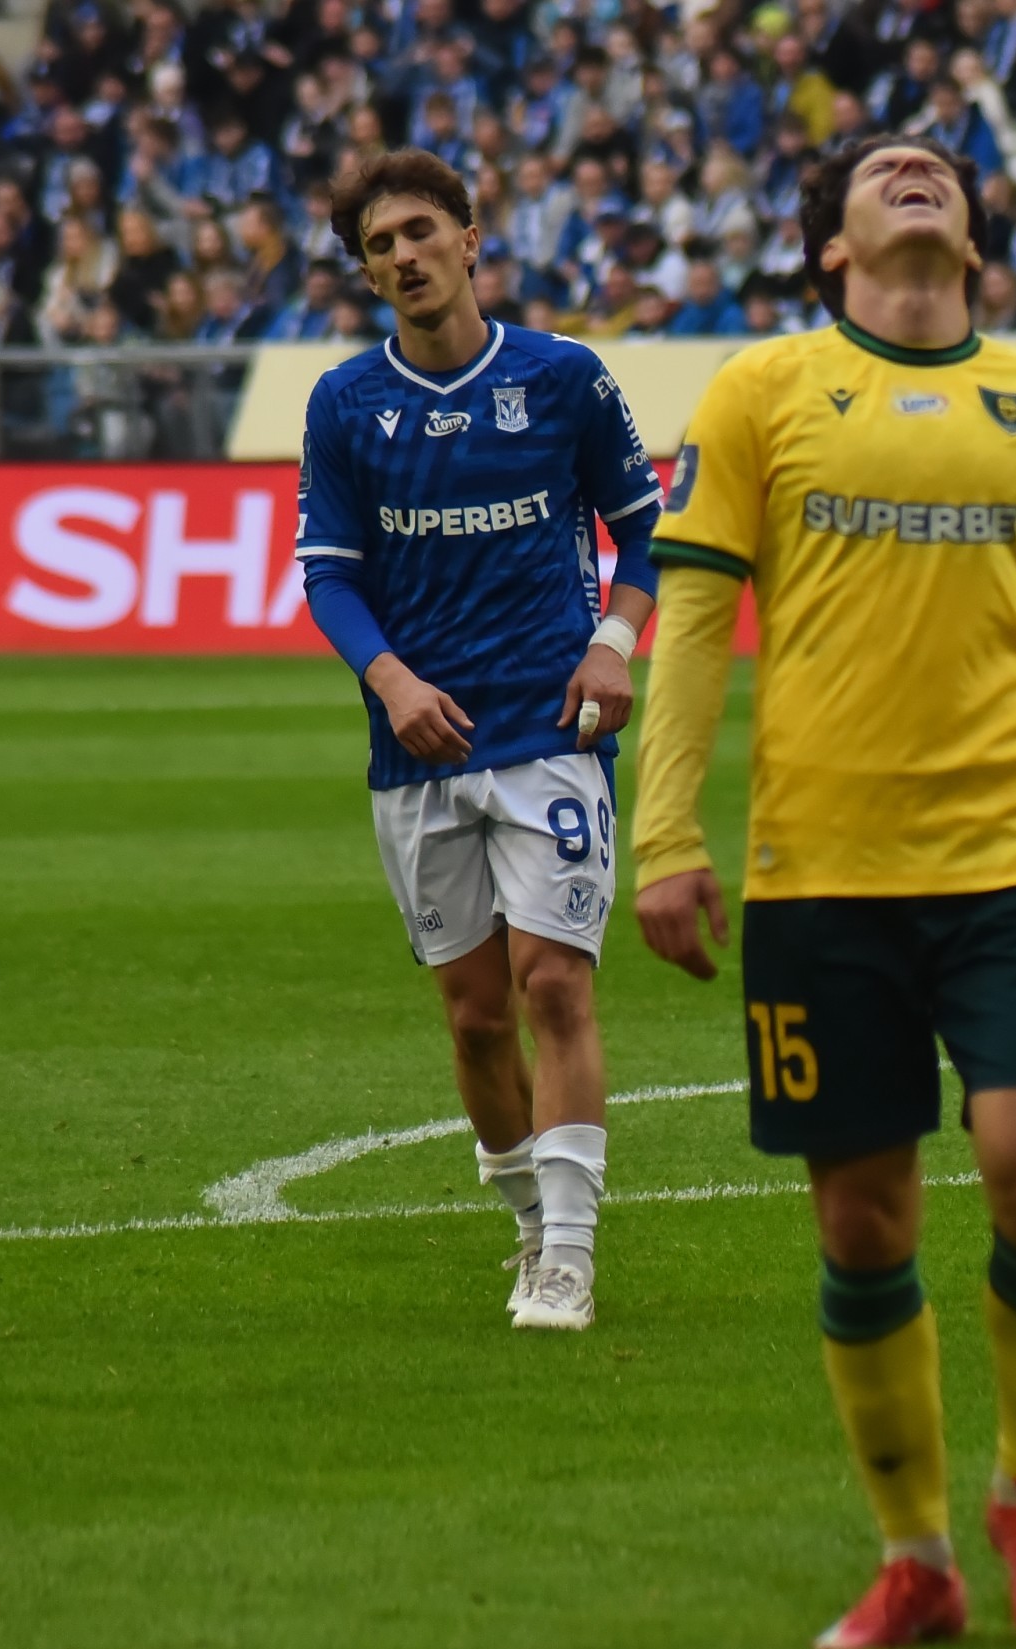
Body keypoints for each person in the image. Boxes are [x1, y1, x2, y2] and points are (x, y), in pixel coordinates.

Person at [630, 135, 1016, 1649]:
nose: (915, 171)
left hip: (1011, 857)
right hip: (819, 872)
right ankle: (916, 1554)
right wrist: (664, 836)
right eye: (883, 168)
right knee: (863, 1224)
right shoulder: (759, 392)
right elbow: (692, 626)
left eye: (937, 166)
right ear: (831, 247)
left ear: (978, 241)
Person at [293, 149, 665, 1333]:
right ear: (366, 274)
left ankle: (568, 1256)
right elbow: (330, 575)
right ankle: (527, 1218)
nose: (403, 256)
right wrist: (392, 680)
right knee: (474, 1015)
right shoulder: (345, 403)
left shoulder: (562, 377)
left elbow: (644, 532)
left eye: (418, 231)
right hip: (421, 744)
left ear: (468, 237)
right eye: (379, 246)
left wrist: (612, 642)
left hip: (550, 728)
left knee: (552, 982)